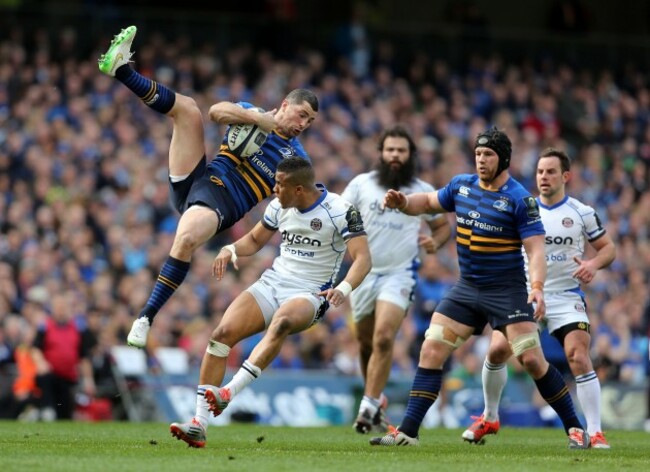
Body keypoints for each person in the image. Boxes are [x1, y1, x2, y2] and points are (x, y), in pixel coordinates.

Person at [97, 26, 319, 348]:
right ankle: (119, 69)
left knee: (186, 236)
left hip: (224, 202)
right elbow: (216, 112)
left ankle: (145, 316)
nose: (303, 124)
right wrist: (258, 121)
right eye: (301, 114)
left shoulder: (296, 159)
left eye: (309, 121)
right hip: (199, 178)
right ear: (285, 104)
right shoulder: (252, 112)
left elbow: (295, 198)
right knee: (187, 109)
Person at [370, 127, 590, 449]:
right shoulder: (462, 186)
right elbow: (429, 201)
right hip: (467, 288)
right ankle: (408, 432)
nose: (481, 160)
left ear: (503, 159)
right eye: (478, 154)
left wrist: (538, 287)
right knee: (431, 349)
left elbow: (536, 250)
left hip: (507, 290)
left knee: (530, 359)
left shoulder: (519, 199)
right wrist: (403, 202)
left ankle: (575, 428)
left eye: (488, 155)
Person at [169, 157, 371, 448]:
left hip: (311, 293)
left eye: (279, 184)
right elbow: (254, 241)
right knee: (220, 337)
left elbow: (363, 257)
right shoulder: (279, 206)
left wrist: (345, 287)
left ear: (299, 189)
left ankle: (228, 393)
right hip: (273, 282)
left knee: (283, 322)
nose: (274, 189)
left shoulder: (340, 211)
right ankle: (199, 424)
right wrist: (231, 249)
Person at [461, 148, 616, 448]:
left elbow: (608, 248)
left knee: (578, 356)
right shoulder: (521, 207)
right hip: (526, 294)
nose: (544, 177)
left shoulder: (581, 212)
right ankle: (489, 417)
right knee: (495, 353)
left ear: (566, 176)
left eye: (551, 172)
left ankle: (595, 431)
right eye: (540, 172)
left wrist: (592, 264)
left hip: (565, 296)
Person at [340, 125, 451, 434]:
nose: (395, 156)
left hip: (400, 273)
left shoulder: (422, 188)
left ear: (410, 155)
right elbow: (338, 214)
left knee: (384, 337)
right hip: (363, 273)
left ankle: (368, 405)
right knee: (365, 343)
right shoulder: (361, 185)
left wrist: (435, 242)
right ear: (381, 153)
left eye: (401, 150)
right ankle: (376, 399)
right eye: (390, 150)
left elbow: (443, 226)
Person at [31, 292, 97, 420]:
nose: (61, 310)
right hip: (50, 374)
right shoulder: (45, 326)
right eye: (58, 307)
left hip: (68, 378)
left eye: (63, 307)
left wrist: (89, 380)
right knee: (45, 379)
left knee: (64, 414)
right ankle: (47, 410)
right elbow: (35, 348)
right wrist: (41, 362)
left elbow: (84, 356)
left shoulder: (78, 327)